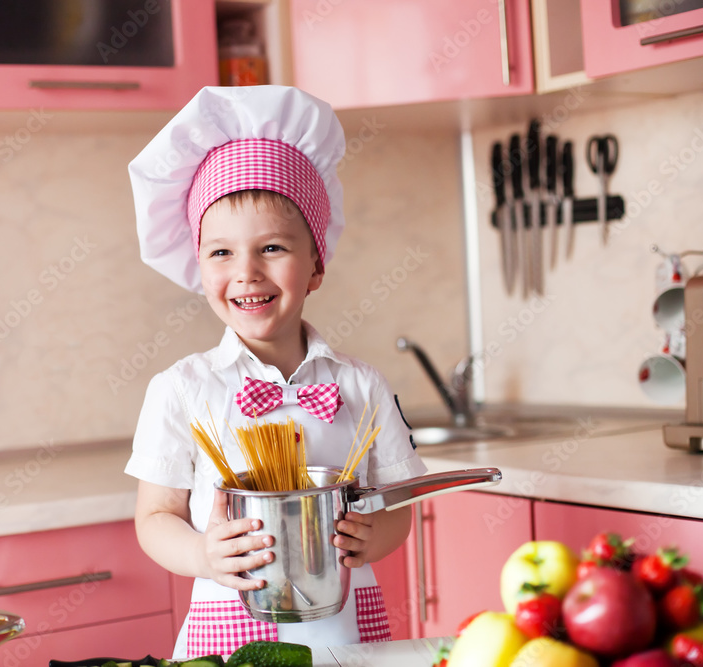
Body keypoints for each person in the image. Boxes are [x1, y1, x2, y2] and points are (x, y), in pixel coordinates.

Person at [124, 85, 428, 658]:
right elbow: (155, 517)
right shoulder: (181, 389)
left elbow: (398, 510)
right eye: (220, 253)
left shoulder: (360, 384)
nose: (246, 273)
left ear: (316, 264)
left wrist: (372, 537)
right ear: (198, 266)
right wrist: (203, 555)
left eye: (271, 248)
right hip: (228, 629)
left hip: (346, 633)